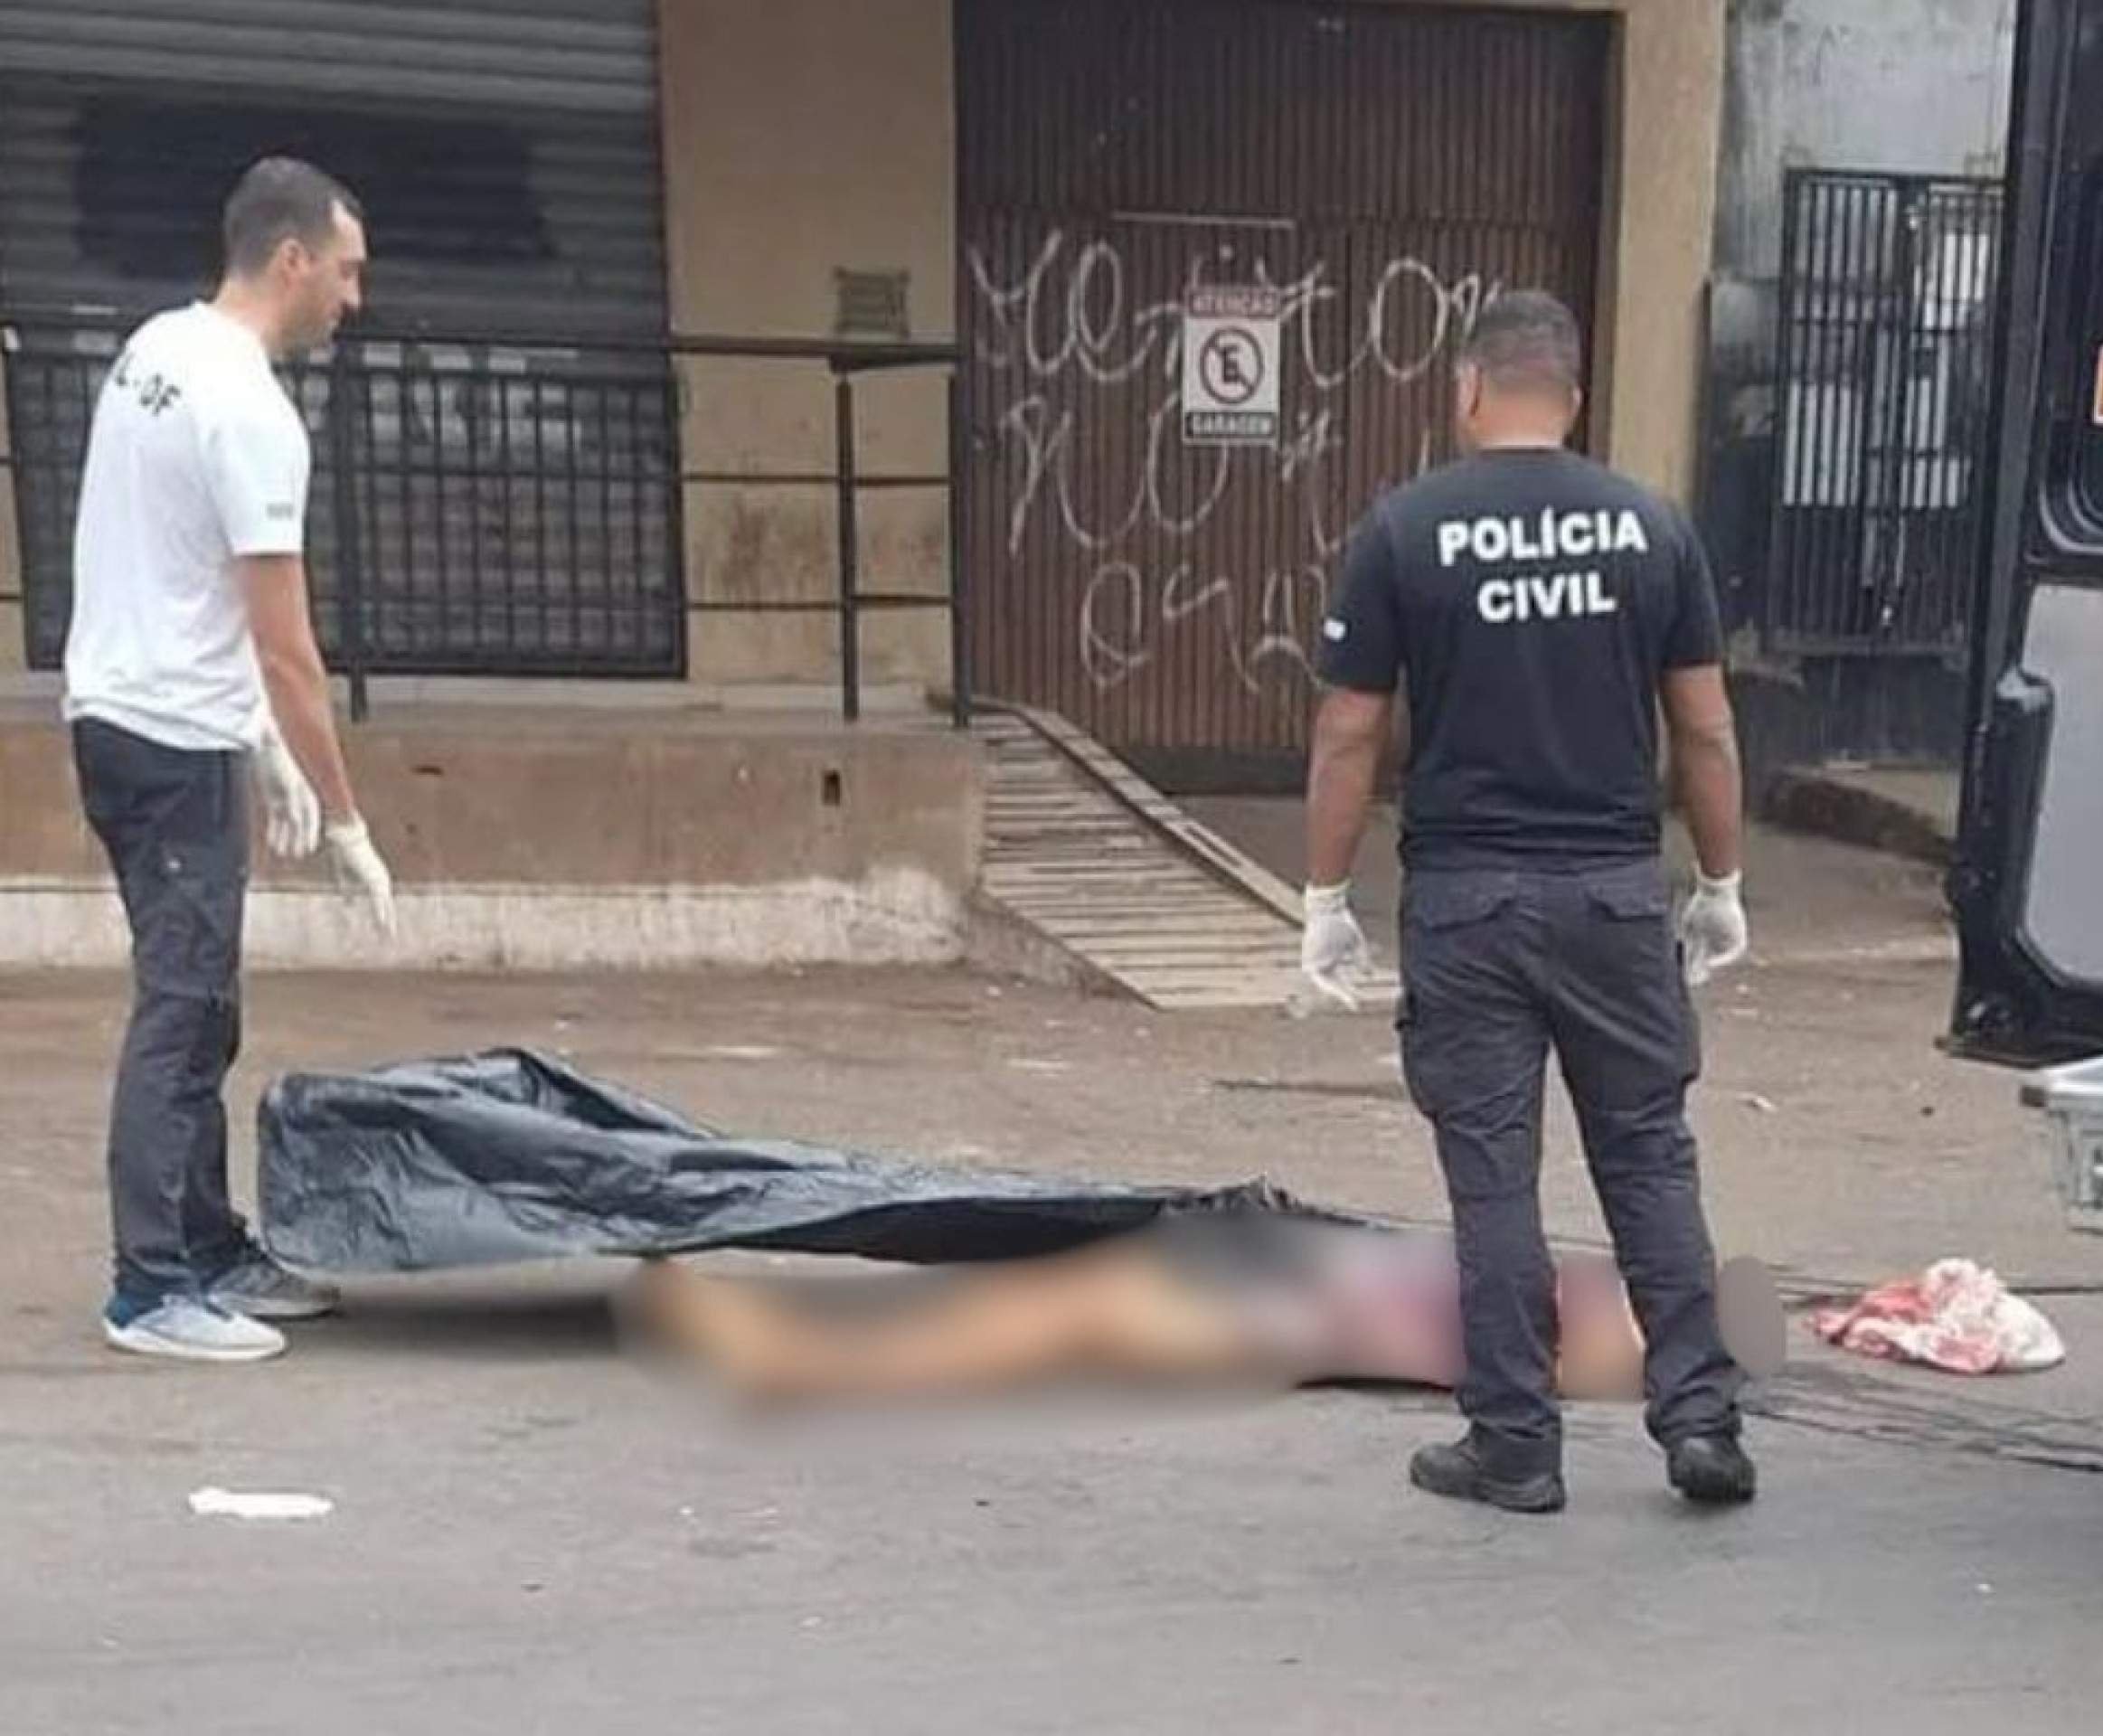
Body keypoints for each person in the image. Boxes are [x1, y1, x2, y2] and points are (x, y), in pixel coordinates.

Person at [1295, 289, 1756, 1515]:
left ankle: (1515, 1445)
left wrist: (1325, 895)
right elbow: (1705, 727)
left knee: (1493, 1178)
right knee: (1648, 1157)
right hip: (1613, 896)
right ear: (1575, 395)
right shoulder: (1651, 527)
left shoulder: (1405, 529)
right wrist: (1720, 881)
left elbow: (1349, 732)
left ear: (1467, 388)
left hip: (1467, 906)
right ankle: (1702, 1425)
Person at [67, 156, 397, 1365]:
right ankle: (152, 1285)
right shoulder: (253, 412)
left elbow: (173, 567)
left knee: (204, 1001)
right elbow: (287, 646)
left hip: (124, 714)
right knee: (184, 1005)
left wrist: (258, 745)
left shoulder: (155, 349)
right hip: (171, 739)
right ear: (292, 258)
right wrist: (346, 818)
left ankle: (207, 1247)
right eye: (346, 272)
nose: (353, 300)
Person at [625, 1213, 1787, 1408]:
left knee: (1060, 1319)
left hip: (1291, 1322)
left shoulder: (1608, 1345)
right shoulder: (1606, 1303)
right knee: (1055, 1303)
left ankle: (791, 1358)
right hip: (1300, 1291)